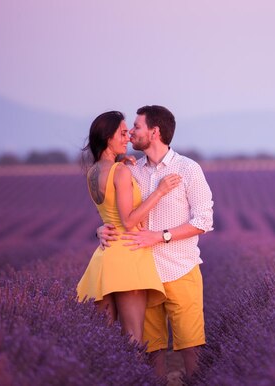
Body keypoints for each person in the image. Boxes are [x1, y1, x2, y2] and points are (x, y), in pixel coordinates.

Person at [97, 105, 214, 379]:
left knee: (191, 347)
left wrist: (160, 236)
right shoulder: (131, 170)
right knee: (151, 351)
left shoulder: (188, 169)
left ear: (154, 131)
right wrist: (100, 229)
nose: (131, 134)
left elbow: (204, 222)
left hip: (181, 269)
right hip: (143, 273)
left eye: (136, 127)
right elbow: (120, 213)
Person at [76, 111, 182, 346]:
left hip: (105, 257)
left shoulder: (93, 172)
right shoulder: (121, 171)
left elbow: (108, 213)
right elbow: (129, 221)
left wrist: (98, 230)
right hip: (129, 256)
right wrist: (160, 191)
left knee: (102, 342)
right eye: (122, 133)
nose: (128, 138)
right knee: (134, 339)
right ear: (107, 137)